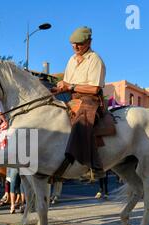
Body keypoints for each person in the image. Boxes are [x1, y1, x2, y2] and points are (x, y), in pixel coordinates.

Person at [51, 26, 106, 179]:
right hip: (73, 97)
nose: (75, 47)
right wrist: (56, 90)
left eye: (79, 44)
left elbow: (95, 88)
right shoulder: (71, 59)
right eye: (73, 44)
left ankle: (94, 165)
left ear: (89, 42)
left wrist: (71, 86)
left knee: (82, 121)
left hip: (91, 99)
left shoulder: (95, 60)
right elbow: (67, 83)